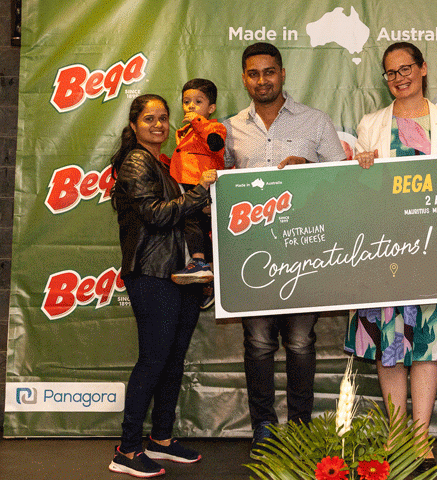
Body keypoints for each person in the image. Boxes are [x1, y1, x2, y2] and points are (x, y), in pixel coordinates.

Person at [344, 42, 437, 474]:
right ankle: (395, 436)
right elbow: (358, 196)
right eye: (391, 72)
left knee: (427, 342)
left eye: (406, 68)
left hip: (433, 251)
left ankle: (421, 440)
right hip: (384, 249)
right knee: (389, 341)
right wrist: (360, 170)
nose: (399, 77)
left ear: (423, 69)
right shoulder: (370, 125)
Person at [223, 42, 346, 452]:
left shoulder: (315, 121)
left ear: (282, 73)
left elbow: (342, 181)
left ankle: (300, 427)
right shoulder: (227, 129)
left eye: (269, 71)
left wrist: (309, 168)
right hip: (250, 255)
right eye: (253, 73)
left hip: (302, 254)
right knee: (258, 343)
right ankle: (263, 426)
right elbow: (218, 190)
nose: (262, 80)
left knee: (300, 342)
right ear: (244, 79)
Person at [108, 94, 217, 478]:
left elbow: (182, 215)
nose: (158, 124)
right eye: (149, 118)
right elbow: (154, 215)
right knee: (154, 360)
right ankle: (127, 449)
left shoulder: (166, 163)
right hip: (152, 273)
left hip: (180, 273)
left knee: (173, 359)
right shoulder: (137, 161)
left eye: (163, 118)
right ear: (134, 125)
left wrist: (200, 203)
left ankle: (161, 439)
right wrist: (200, 192)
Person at [168, 78, 226, 309]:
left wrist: (198, 121)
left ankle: (199, 263)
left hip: (204, 185)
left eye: (198, 101)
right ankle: (209, 280)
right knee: (198, 229)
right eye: (186, 101)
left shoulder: (215, 128)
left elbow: (215, 145)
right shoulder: (184, 132)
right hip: (187, 186)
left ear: (211, 108)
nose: (191, 106)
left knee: (191, 220)